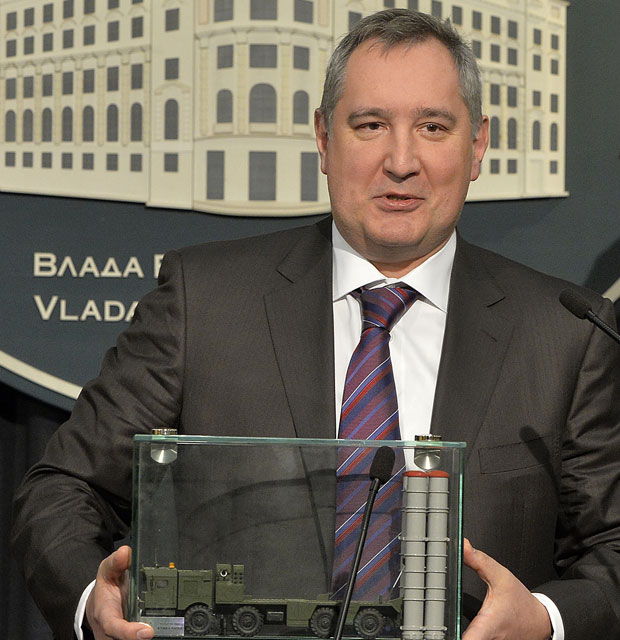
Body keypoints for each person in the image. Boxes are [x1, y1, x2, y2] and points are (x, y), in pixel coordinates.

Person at [11, 8, 620, 640]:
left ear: (478, 145)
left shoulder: (564, 334)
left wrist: (546, 620)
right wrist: (94, 601)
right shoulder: (204, 302)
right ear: (325, 139)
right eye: (371, 125)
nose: (401, 160)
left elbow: (612, 547)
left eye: (433, 127)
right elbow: (62, 489)